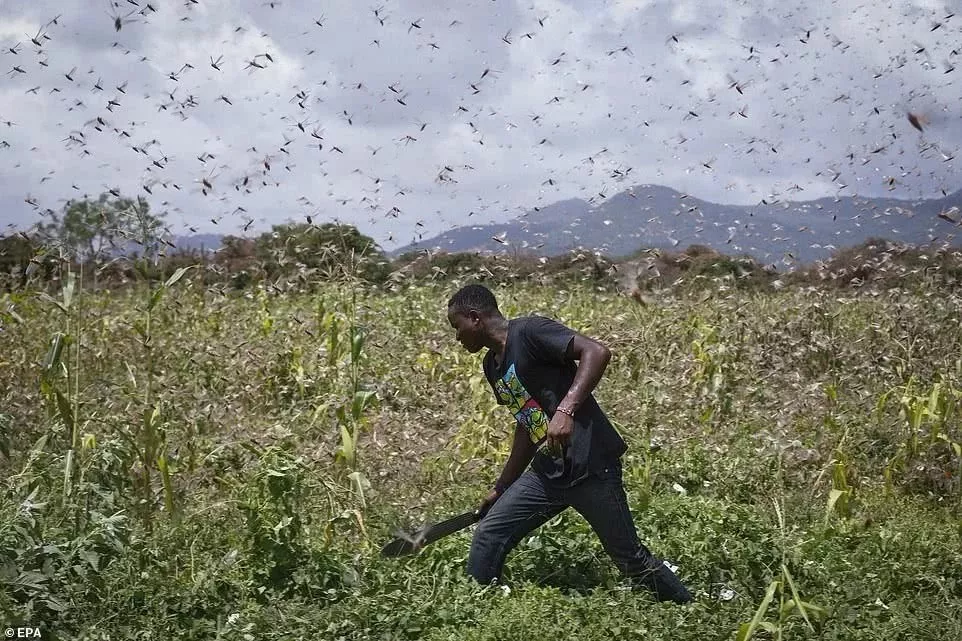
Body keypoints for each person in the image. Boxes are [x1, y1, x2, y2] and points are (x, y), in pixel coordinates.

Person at [446, 283, 692, 603]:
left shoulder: (530, 332)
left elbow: (597, 351)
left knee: (630, 559)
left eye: (457, 327)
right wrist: (502, 486)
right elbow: (527, 423)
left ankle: (688, 607)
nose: (457, 337)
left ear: (475, 317)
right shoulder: (492, 366)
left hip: (590, 464)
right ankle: (476, 611)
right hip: (549, 472)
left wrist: (566, 409)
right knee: (489, 534)